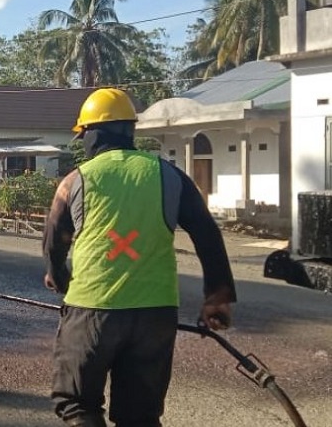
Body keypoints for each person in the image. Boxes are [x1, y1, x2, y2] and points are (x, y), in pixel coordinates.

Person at [42, 88, 237, 427]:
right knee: (140, 416)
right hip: (156, 315)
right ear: (129, 130)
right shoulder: (171, 176)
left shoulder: (75, 180)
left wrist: (59, 277)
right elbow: (207, 234)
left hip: (92, 309)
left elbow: (54, 243)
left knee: (77, 405)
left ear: (91, 133)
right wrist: (217, 299)